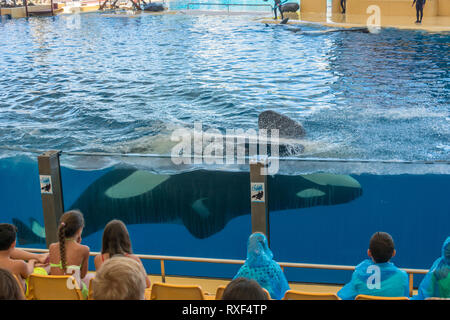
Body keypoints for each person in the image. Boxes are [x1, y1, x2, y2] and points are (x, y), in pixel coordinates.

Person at [337, 232, 409, 300]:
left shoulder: (358, 274)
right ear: (394, 253)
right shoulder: (403, 277)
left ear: (369, 252)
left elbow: (341, 296)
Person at [48, 210, 92, 299]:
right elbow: (82, 275)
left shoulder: (52, 247)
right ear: (80, 230)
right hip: (74, 295)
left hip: (56, 294)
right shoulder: (84, 249)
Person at [94, 219, 151, 288]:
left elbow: (101, 284)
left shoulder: (98, 259)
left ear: (105, 239)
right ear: (125, 238)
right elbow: (147, 284)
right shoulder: (133, 259)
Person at [233, 232, 290, 300]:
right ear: (265, 246)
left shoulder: (244, 270)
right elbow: (285, 293)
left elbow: (232, 291)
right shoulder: (274, 268)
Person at [0, 223, 37, 289]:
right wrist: (32, 261)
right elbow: (28, 273)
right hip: (17, 295)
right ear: (13, 244)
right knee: (40, 270)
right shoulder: (19, 264)